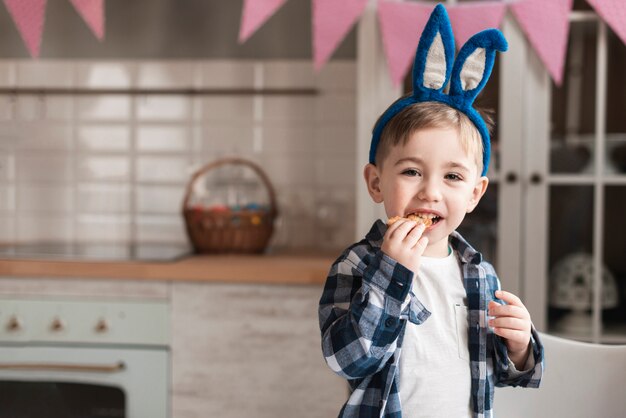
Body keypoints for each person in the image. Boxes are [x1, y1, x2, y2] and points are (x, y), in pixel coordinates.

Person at [318, 4, 544, 418]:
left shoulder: (479, 272)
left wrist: (521, 345)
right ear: (375, 183)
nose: (430, 192)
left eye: (453, 178)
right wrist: (392, 273)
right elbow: (347, 360)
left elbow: (504, 373)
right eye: (411, 171)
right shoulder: (359, 264)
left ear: (475, 194)